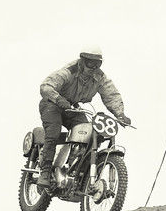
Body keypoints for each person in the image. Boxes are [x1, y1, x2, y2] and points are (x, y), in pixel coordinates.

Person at [37, 46, 131, 188]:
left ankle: (77, 169)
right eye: (90, 63)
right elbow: (46, 85)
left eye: (97, 64)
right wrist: (58, 99)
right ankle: (45, 171)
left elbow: (111, 94)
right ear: (82, 61)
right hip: (52, 104)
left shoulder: (100, 77)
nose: (93, 67)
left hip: (72, 107)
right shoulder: (69, 71)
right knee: (53, 132)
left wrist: (120, 114)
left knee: (88, 133)